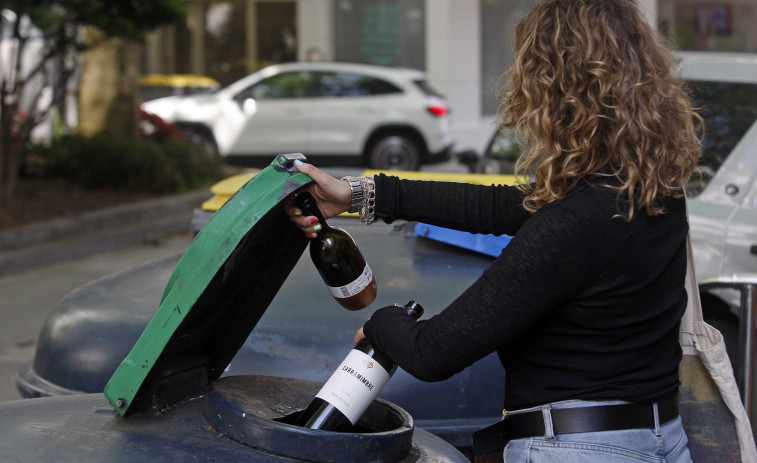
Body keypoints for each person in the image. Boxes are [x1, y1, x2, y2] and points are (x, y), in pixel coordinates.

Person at [285, 0, 701, 461]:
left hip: (579, 449)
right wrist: (359, 195)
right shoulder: (653, 193)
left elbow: (433, 352)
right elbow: (502, 204)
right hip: (664, 439)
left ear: (558, 90)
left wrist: (382, 325)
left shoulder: (575, 223)